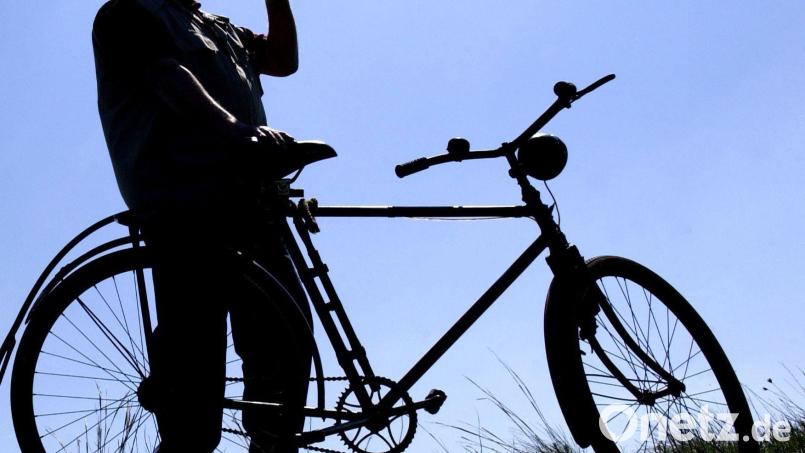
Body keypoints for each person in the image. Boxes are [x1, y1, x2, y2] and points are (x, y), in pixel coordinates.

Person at [92, 0, 312, 451]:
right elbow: (166, 75)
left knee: (284, 340)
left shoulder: (217, 26)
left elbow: (282, 60)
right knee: (193, 366)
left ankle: (272, 441)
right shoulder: (130, 13)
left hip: (250, 200)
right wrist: (235, 130)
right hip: (185, 205)